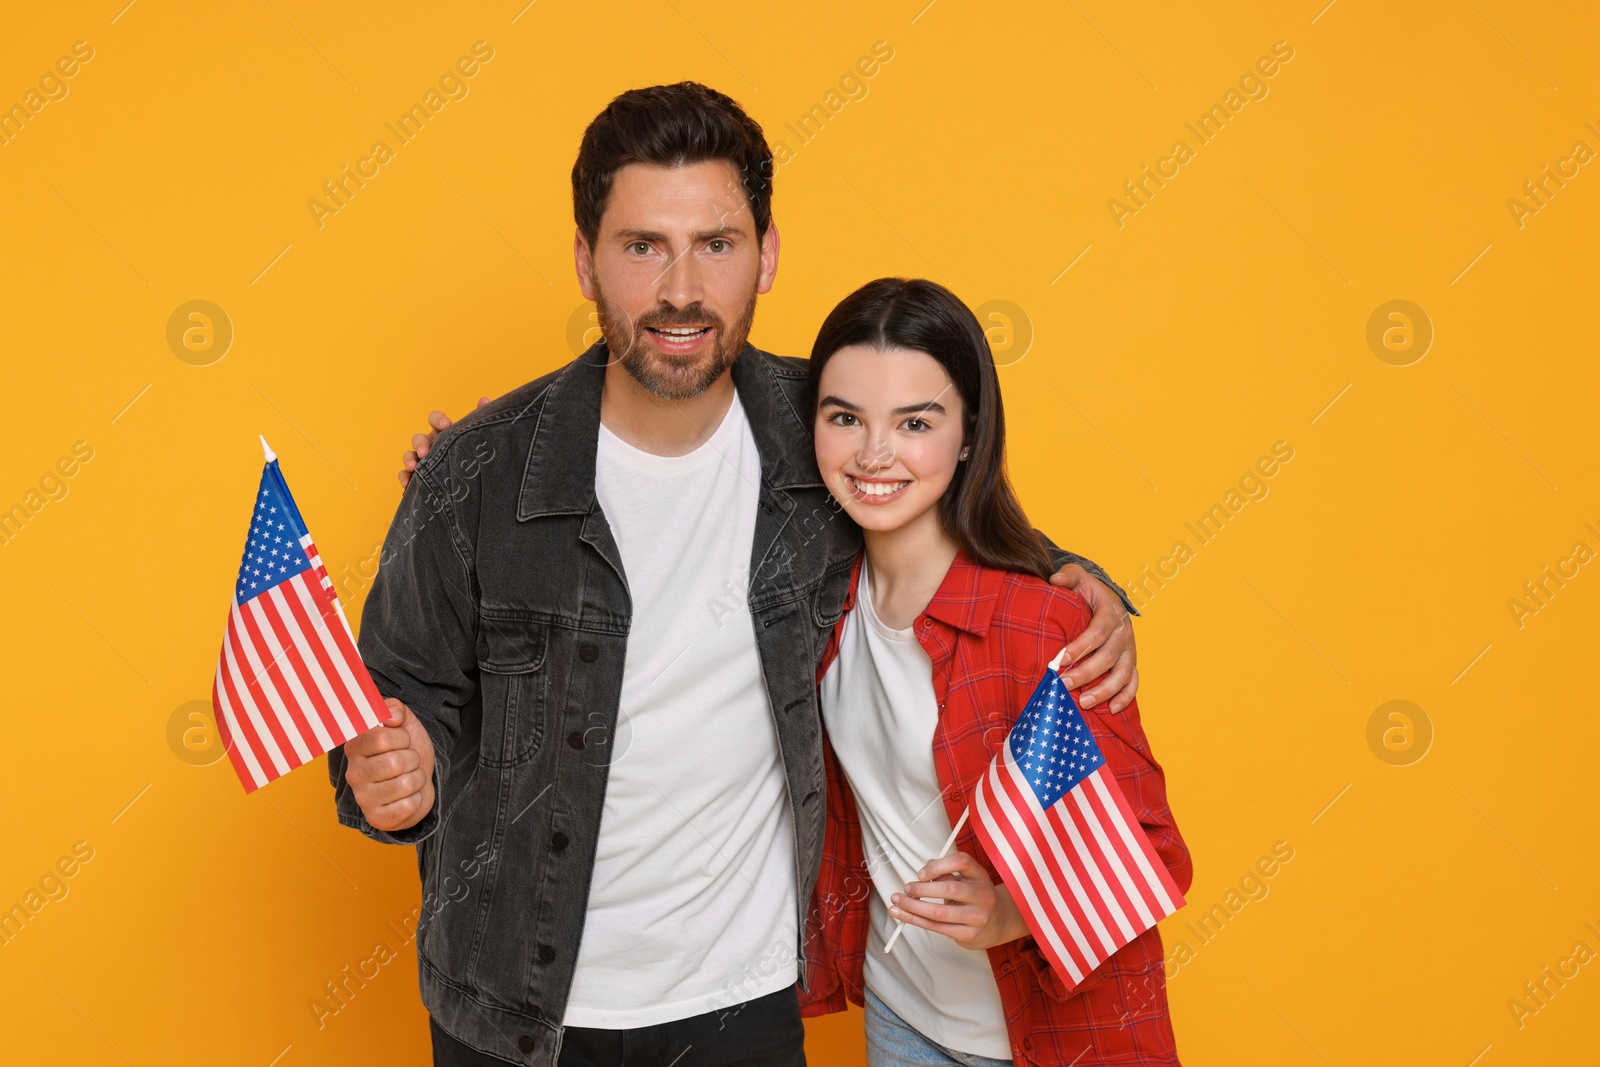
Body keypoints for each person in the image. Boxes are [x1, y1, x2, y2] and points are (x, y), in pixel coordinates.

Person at [341, 82, 1139, 1067]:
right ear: (585, 258)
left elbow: (956, 523)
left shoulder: (830, 429)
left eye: (714, 244)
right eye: (642, 246)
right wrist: (388, 772)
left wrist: (1078, 578)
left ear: (765, 254)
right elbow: (395, 691)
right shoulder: (476, 465)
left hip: (740, 1006)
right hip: (508, 1011)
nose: (680, 287)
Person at [796, 278, 1191, 1066]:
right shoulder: (814, 598)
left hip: (1039, 1035)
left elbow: (1153, 852)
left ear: (970, 434)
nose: (874, 454)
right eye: (846, 418)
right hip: (901, 1016)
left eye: (916, 422)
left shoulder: (1040, 622)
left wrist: (1013, 911)